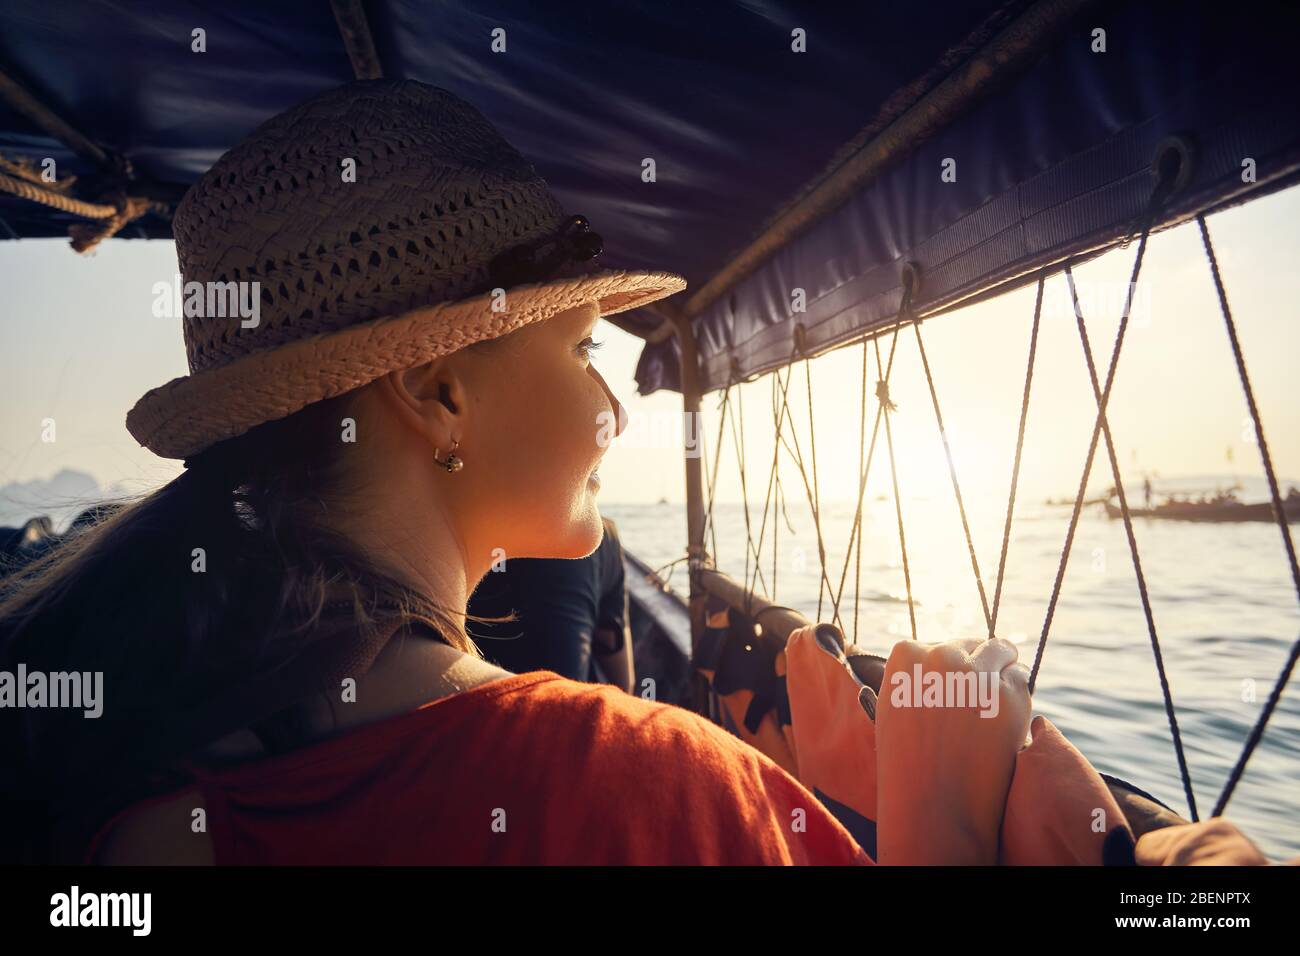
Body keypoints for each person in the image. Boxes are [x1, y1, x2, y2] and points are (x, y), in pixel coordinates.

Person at [0, 80, 1272, 867]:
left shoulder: (129, 756)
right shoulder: (638, 787)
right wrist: (937, 809)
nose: (614, 401)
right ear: (436, 388)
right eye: (578, 344)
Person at [467, 515, 634, 692]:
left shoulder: (467, 532)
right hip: (567, 709)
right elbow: (624, 683)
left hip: (472, 705)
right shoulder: (603, 537)